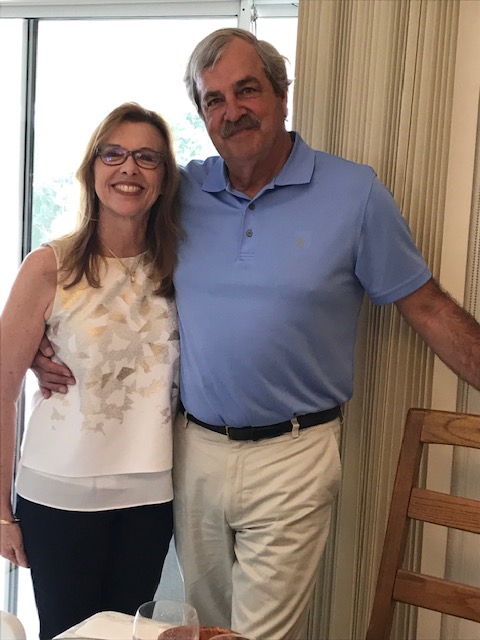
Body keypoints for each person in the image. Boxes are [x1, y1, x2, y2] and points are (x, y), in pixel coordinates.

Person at [31, 29, 480, 640]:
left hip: (293, 453)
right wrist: (43, 338)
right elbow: (113, 258)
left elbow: (426, 306)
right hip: (192, 452)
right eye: (213, 99)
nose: (232, 110)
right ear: (202, 114)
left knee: (258, 636)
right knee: (206, 625)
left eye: (247, 90)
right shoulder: (183, 192)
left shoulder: (355, 194)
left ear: (282, 95)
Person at [0, 102, 181, 640]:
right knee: (68, 634)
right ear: (92, 168)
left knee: (129, 634)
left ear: (164, 178)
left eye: (147, 157)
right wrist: (1, 512)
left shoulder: (179, 267)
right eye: (113, 153)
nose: (129, 168)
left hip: (149, 499)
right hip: (58, 497)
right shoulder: (49, 265)